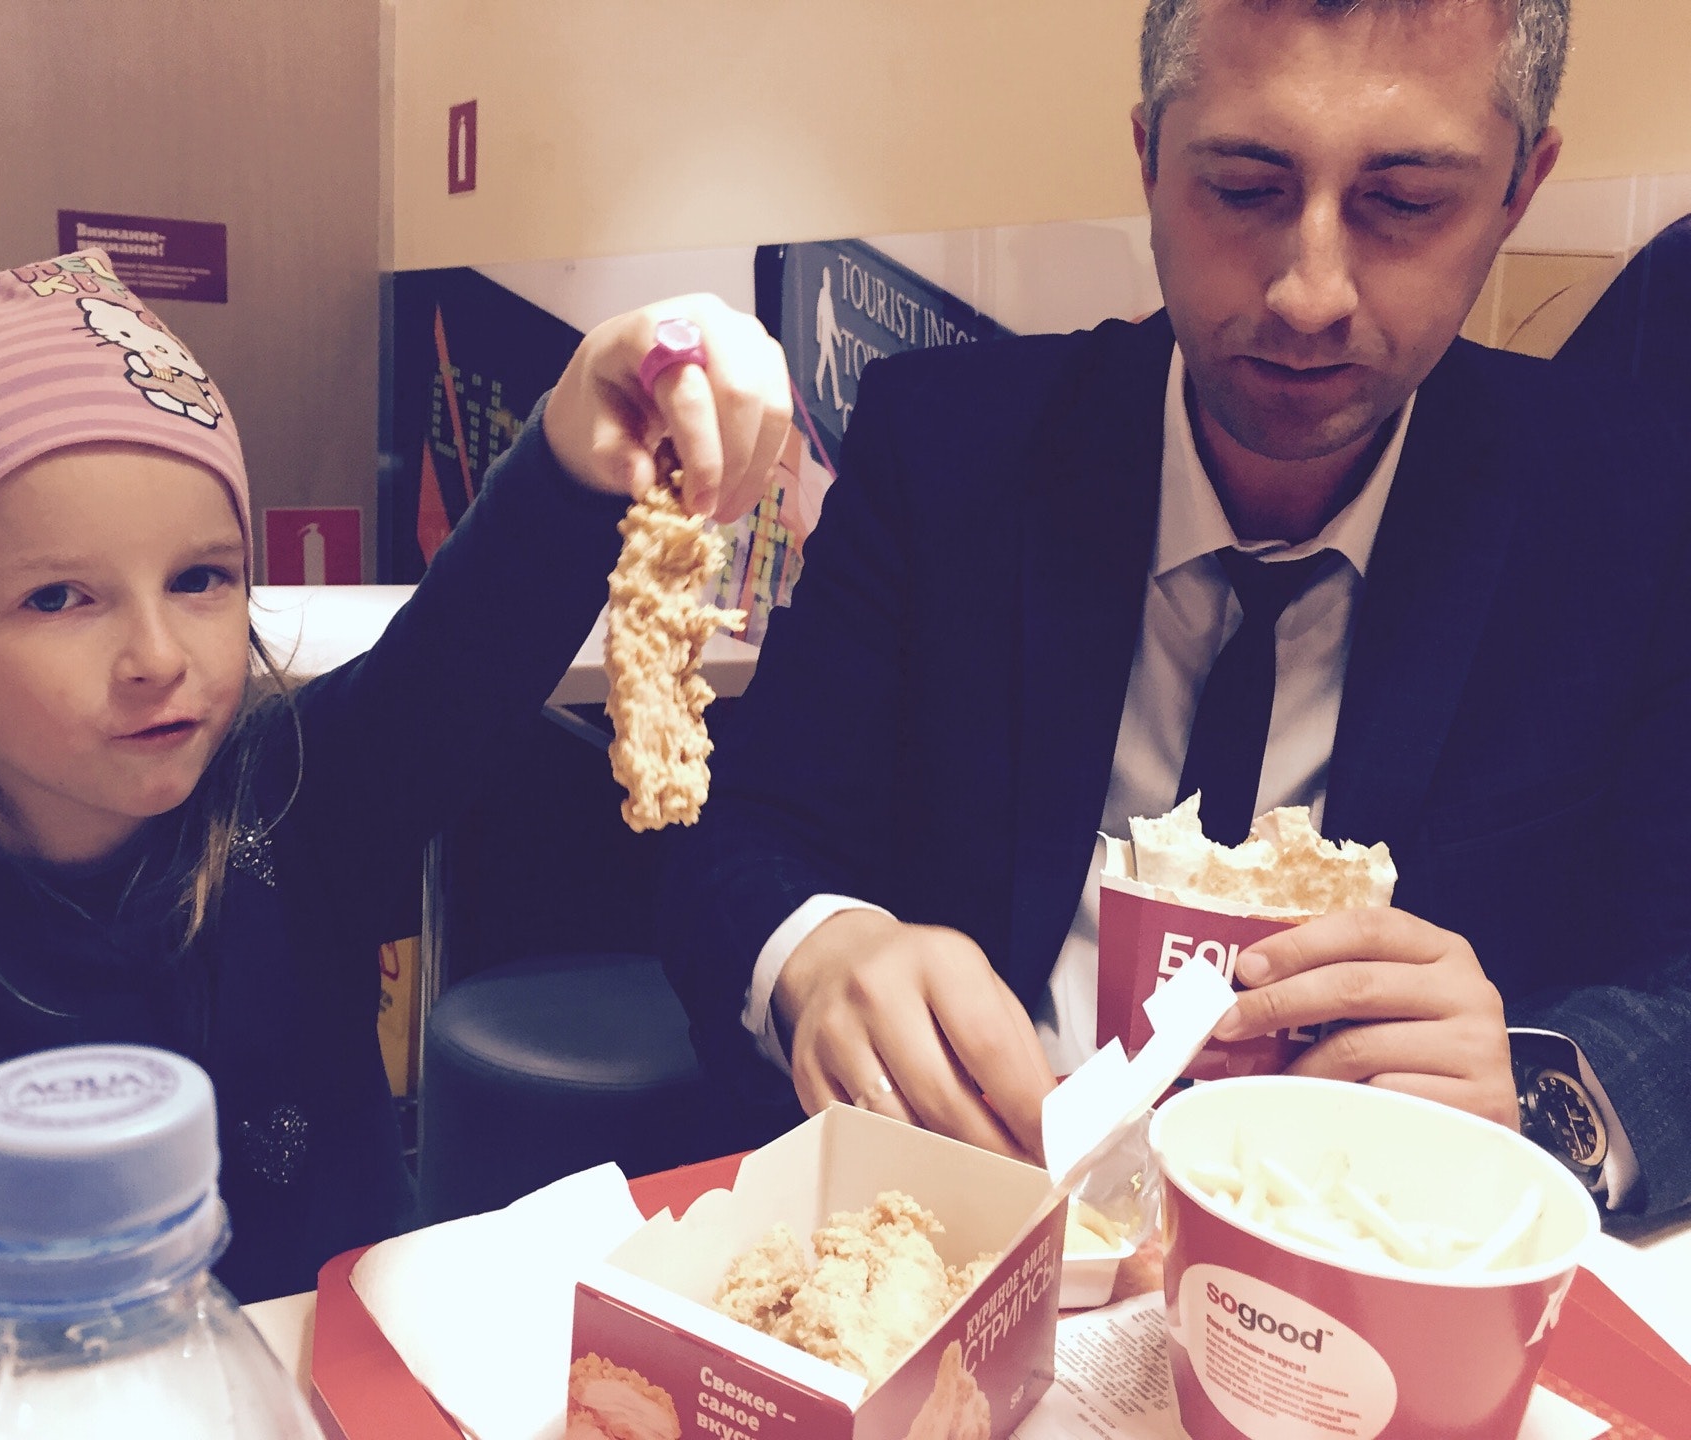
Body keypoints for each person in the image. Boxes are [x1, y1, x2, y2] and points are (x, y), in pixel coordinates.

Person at [662, 0, 1691, 1218]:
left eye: (1407, 203)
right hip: (962, 1219)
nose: (1310, 294)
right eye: (1244, 189)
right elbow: (743, 826)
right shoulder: (946, 448)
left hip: (1366, 1260)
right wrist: (822, 950)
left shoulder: (1633, 506)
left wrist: (1539, 1093)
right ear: (1149, 160)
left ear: (1520, 190)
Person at [0, 248, 790, 1367]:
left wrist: (578, 437)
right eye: (59, 596)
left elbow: (464, 651)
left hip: (338, 1387)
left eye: (200, 579)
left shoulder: (305, 807)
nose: (157, 656)